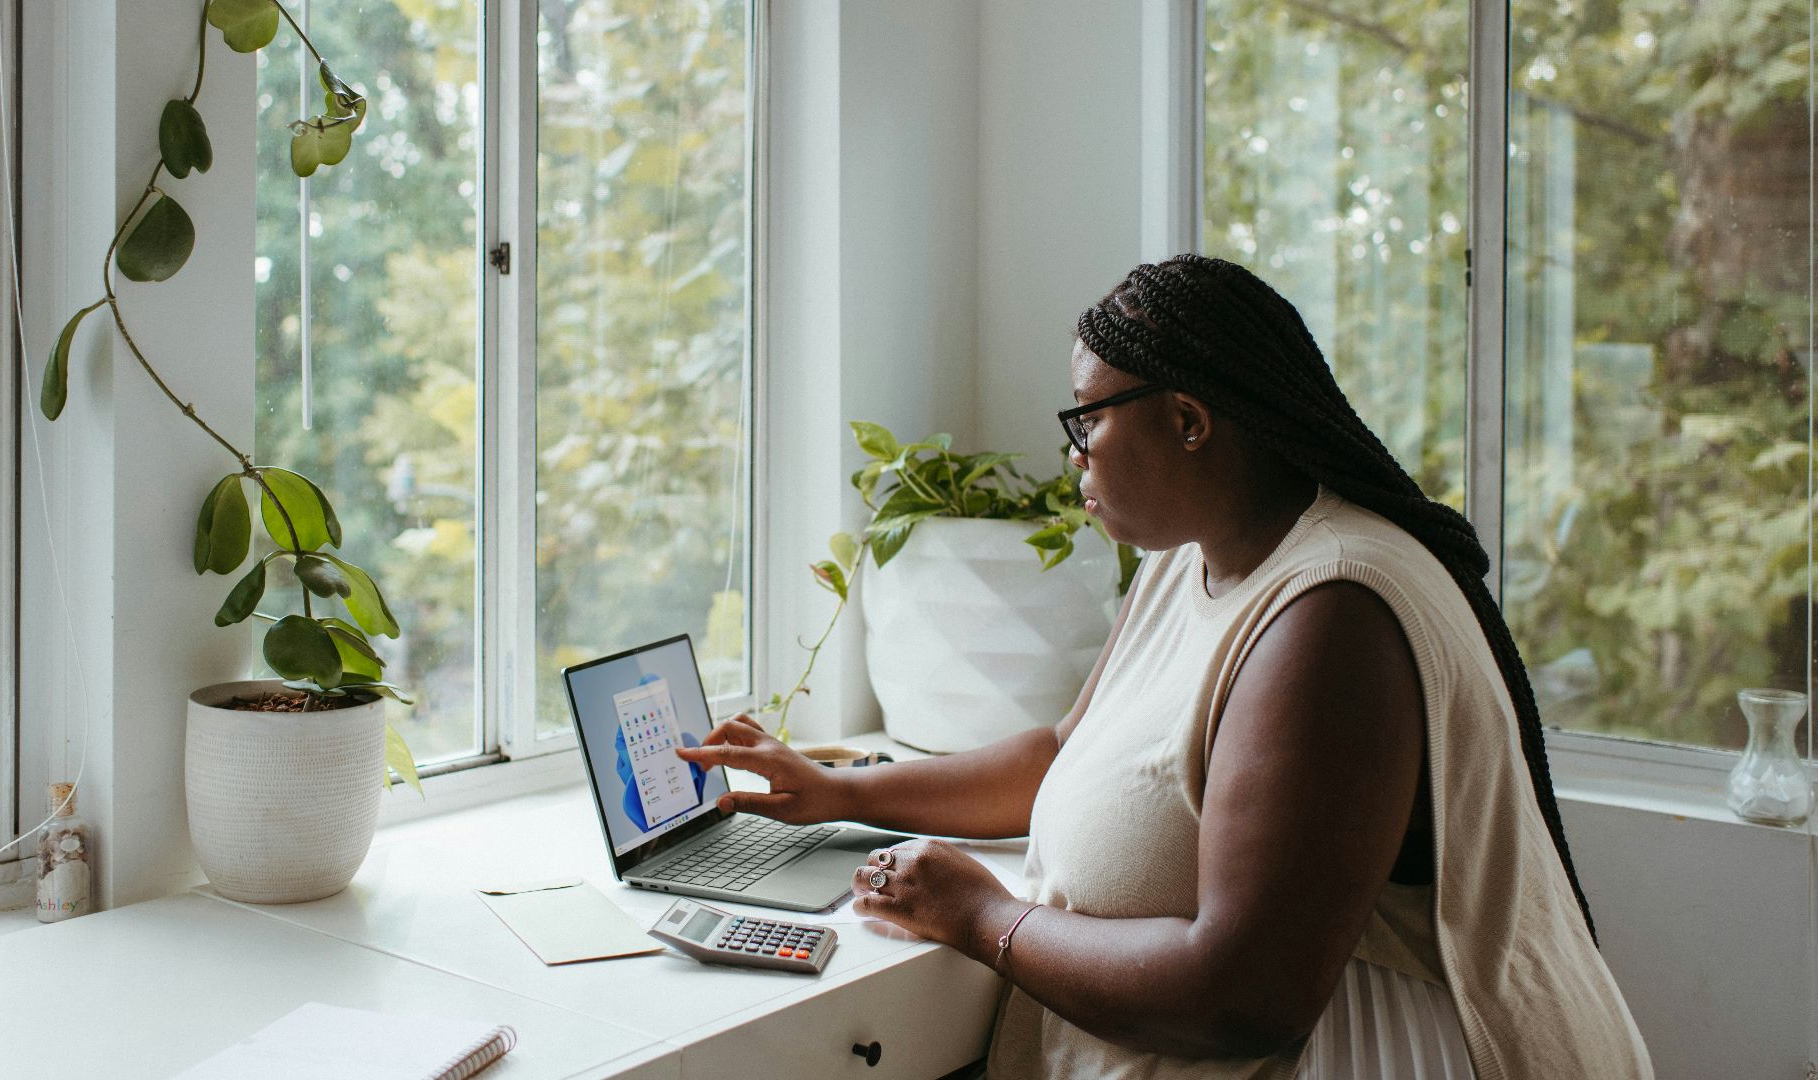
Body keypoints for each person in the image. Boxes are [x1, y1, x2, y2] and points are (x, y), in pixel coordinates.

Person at [676, 254, 1652, 1079]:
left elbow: (1244, 996)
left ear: (1187, 420)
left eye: (1087, 423)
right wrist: (840, 790)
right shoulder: (1187, 560)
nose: (1075, 460)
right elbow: (1061, 753)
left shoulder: (1332, 616)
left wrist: (984, 918)